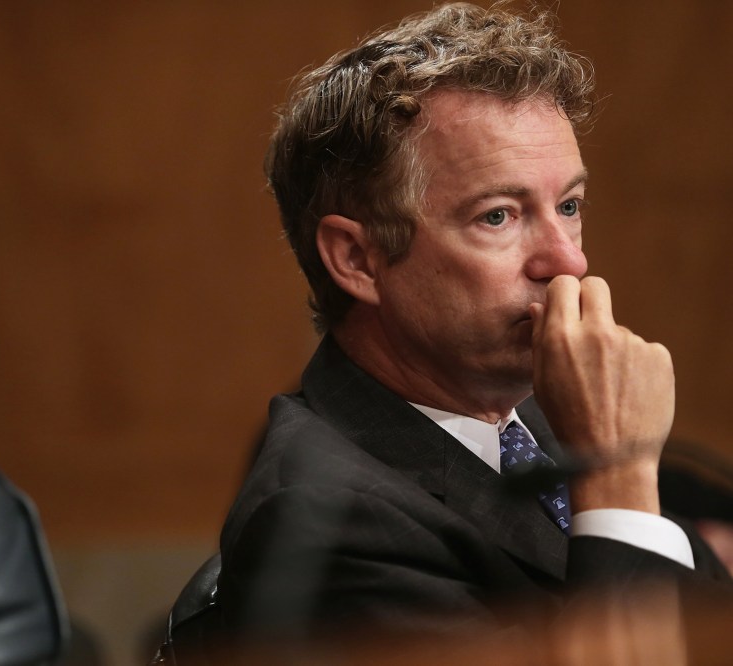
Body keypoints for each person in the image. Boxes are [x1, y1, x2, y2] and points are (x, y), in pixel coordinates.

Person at [217, 1, 732, 645]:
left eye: (568, 205)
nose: (569, 260)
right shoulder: (327, 519)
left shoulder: (535, 414)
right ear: (357, 258)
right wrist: (617, 472)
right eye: (498, 216)